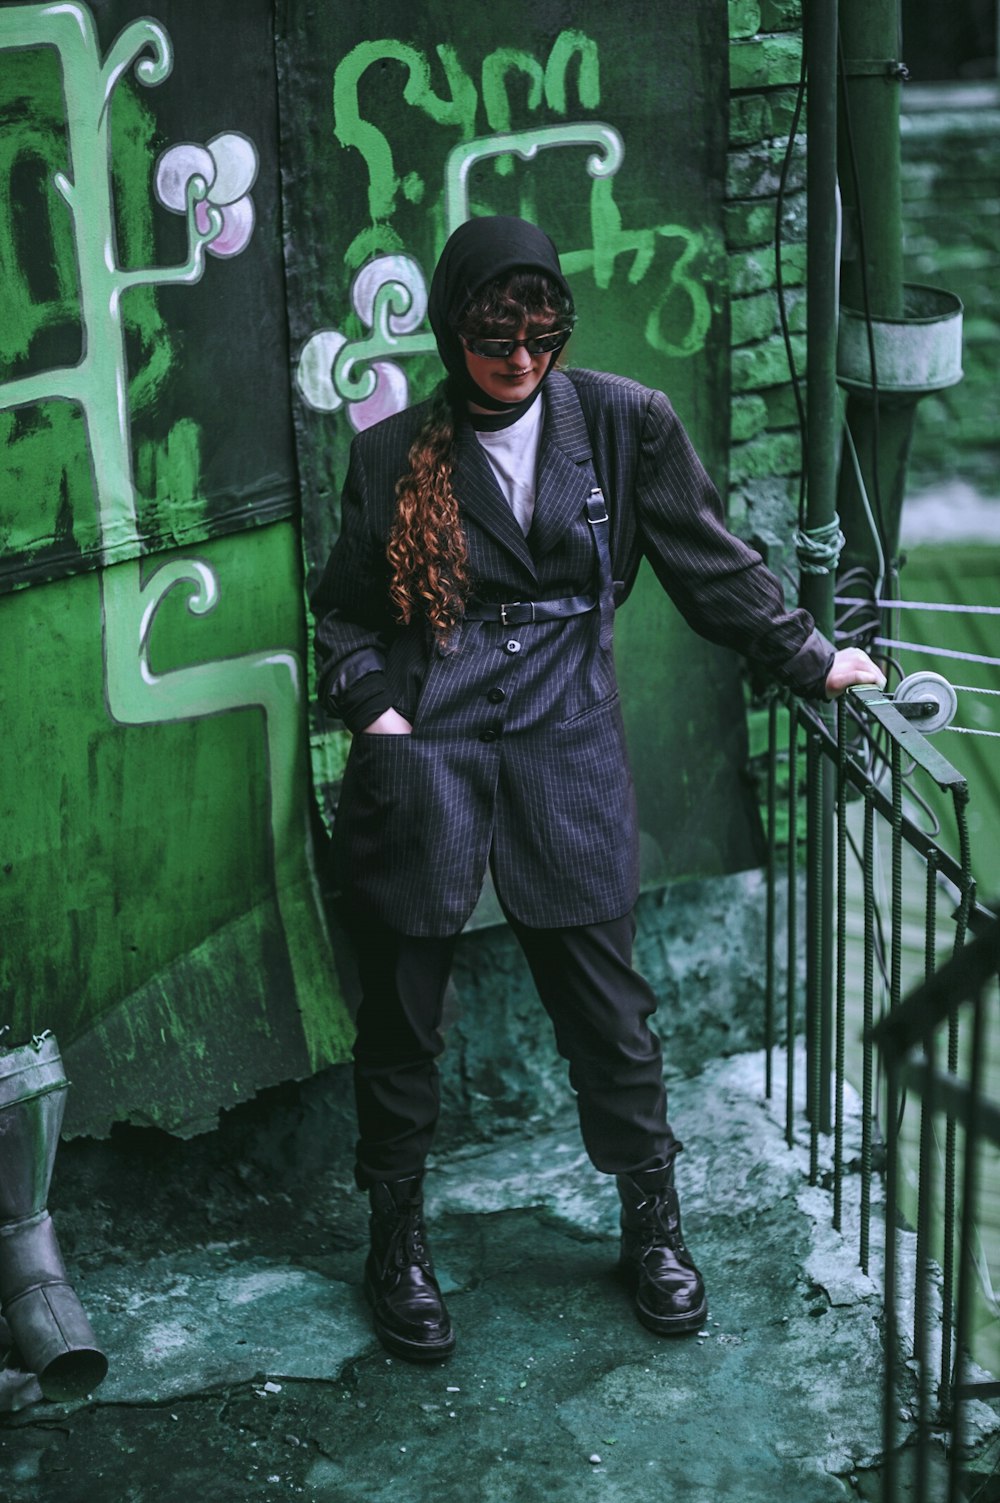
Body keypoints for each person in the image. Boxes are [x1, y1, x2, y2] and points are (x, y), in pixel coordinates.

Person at [311, 215, 884, 1363]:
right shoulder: (389, 457)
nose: (518, 362)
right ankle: (397, 1243)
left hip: (565, 742)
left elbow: (706, 561)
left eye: (538, 339)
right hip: (427, 748)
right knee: (402, 1015)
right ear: (450, 333)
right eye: (492, 342)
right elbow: (344, 614)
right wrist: (373, 706)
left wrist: (809, 657)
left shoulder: (623, 423)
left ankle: (654, 1230)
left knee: (610, 1015)